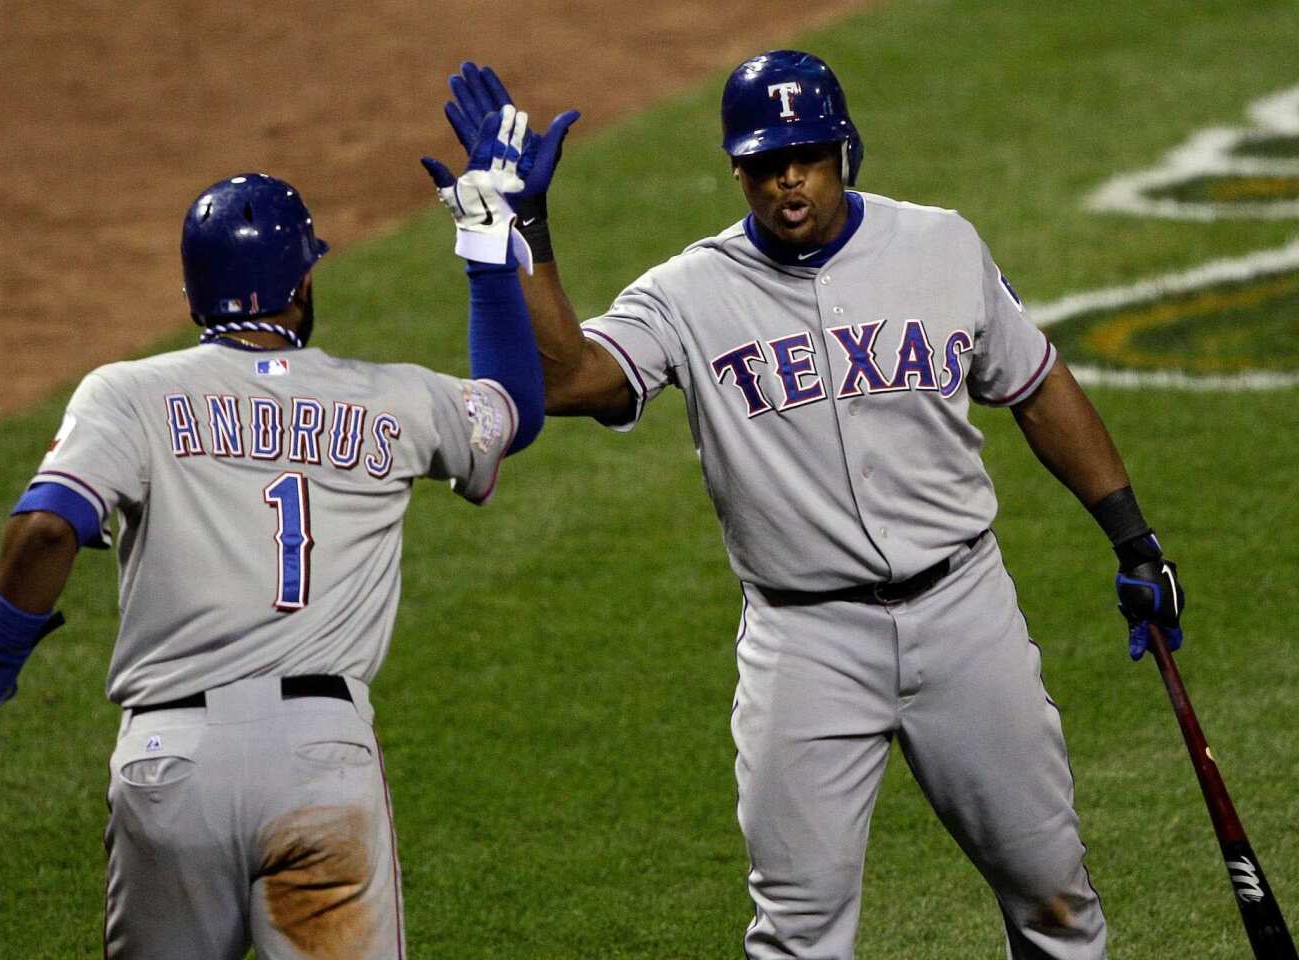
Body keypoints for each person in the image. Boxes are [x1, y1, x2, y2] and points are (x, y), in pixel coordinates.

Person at [439, 53, 1184, 959]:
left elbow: (1035, 385)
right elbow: (566, 380)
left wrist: (1132, 538)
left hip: (965, 616)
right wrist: (532, 232)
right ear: (737, 171)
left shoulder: (942, 245)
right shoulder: (689, 291)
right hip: (806, 646)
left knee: (1053, 895)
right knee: (797, 933)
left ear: (844, 151)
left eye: (806, 155)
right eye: (764, 162)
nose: (787, 179)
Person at [0, 151, 544, 960]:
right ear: (302, 284)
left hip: (168, 765)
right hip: (320, 761)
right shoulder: (392, 398)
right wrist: (486, 246)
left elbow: (47, 530)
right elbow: (516, 408)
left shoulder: (126, 394)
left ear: (193, 294)